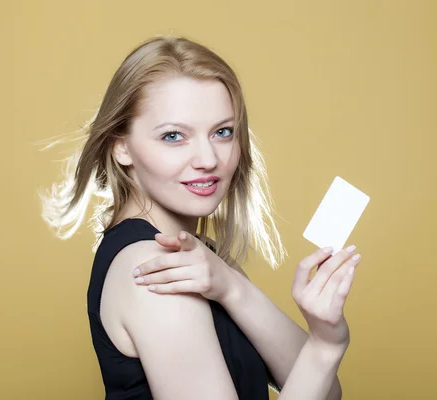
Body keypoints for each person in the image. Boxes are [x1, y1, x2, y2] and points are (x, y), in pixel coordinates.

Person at [40, 35, 361, 399]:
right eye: (174, 136)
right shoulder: (155, 268)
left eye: (223, 132)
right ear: (122, 147)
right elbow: (318, 370)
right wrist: (324, 348)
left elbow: (326, 392)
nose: (208, 159)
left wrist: (233, 287)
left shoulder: (203, 263)